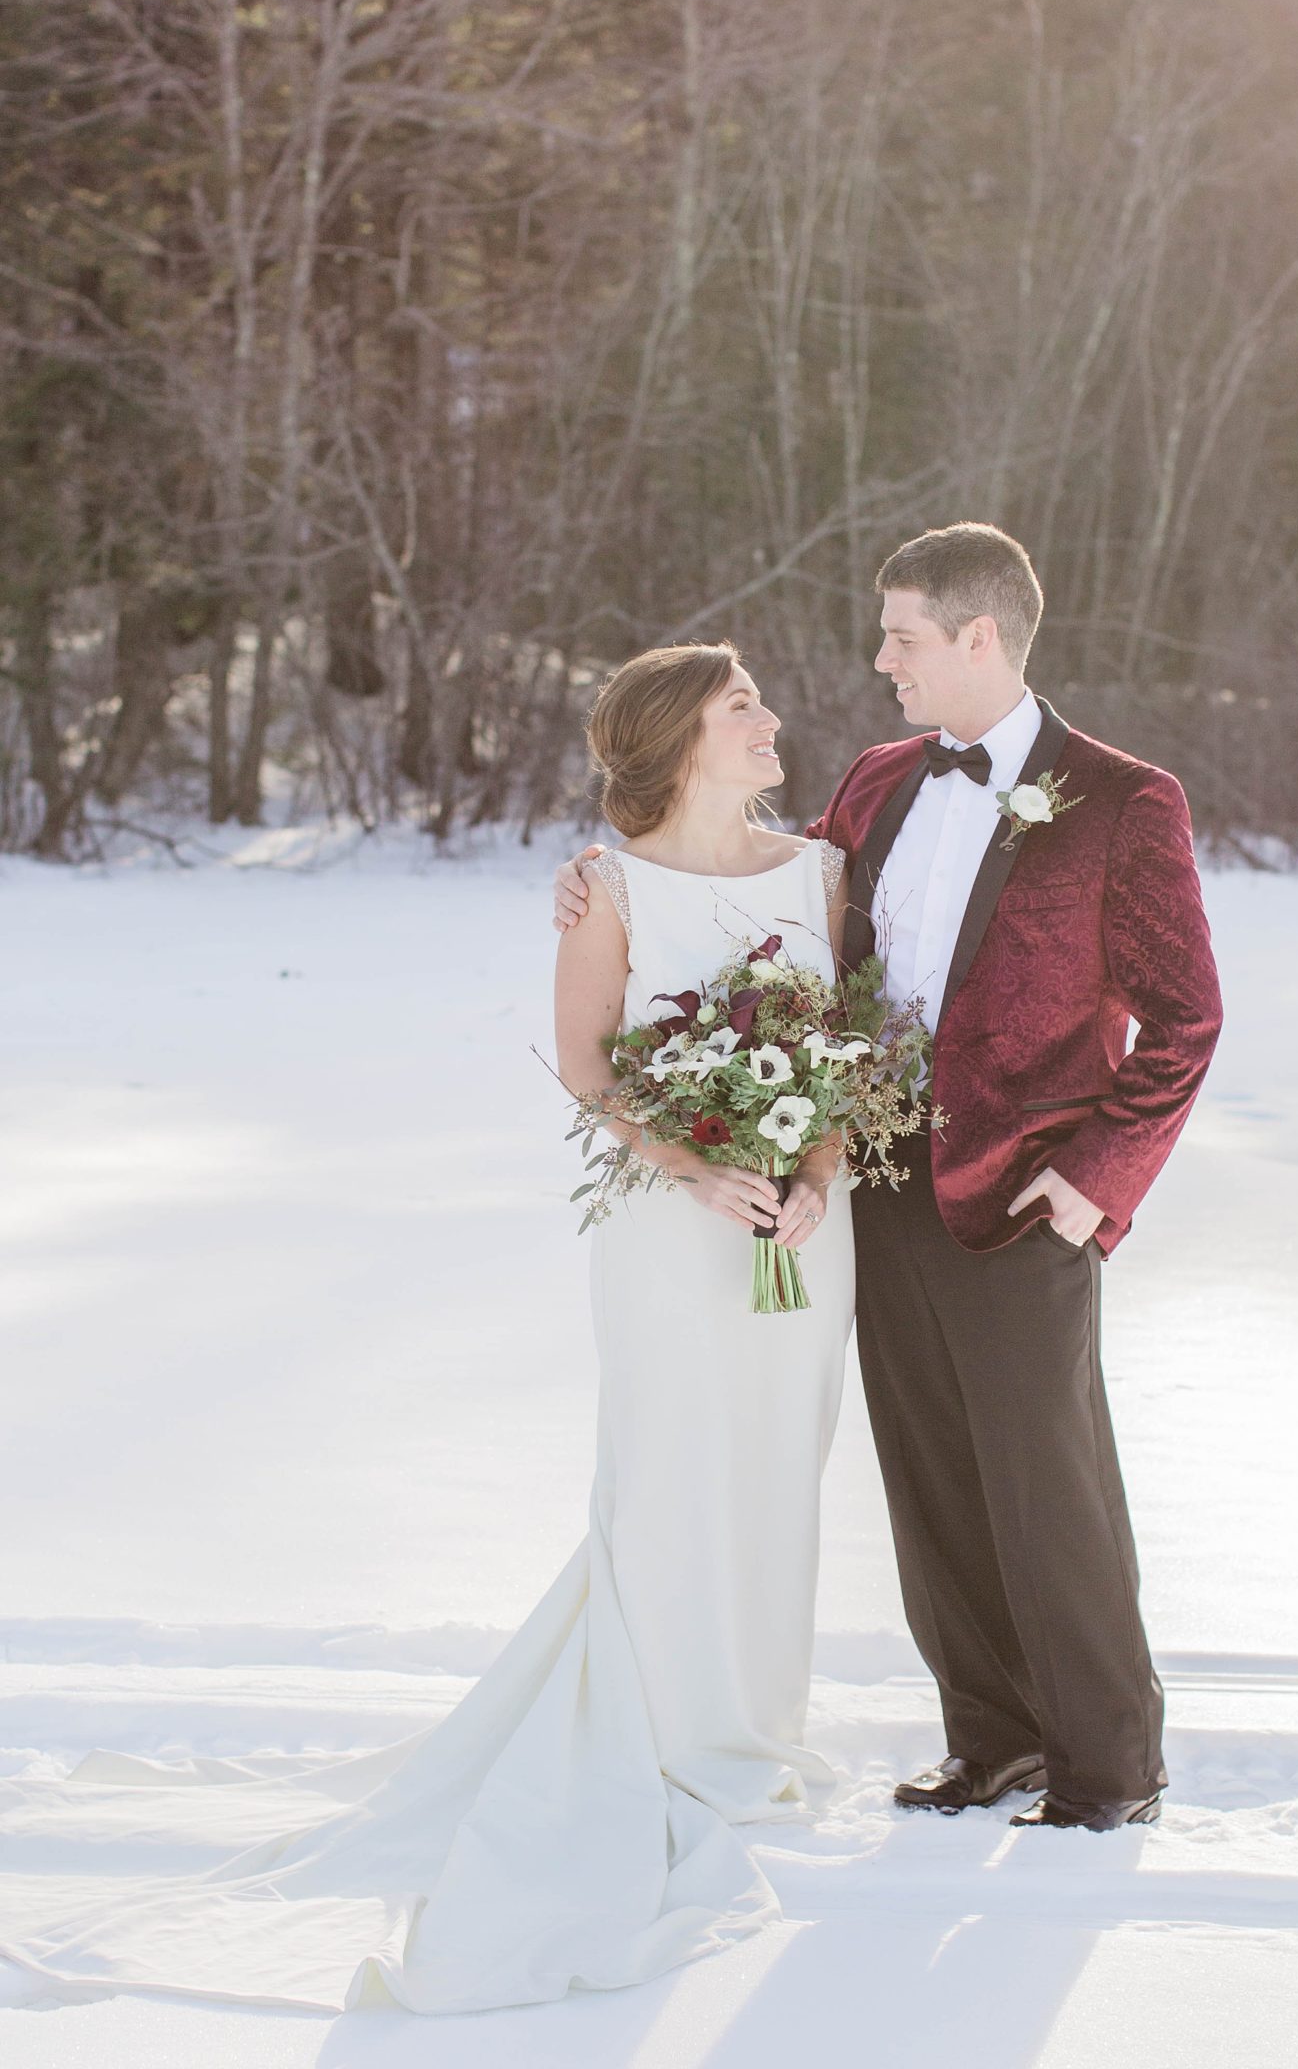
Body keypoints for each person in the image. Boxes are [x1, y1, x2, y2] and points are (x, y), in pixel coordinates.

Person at [0, 645, 855, 2014]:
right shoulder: (610, 885)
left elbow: (853, 1050)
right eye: (742, 702)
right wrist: (693, 1166)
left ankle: (755, 1726)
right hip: (664, 1222)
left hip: (806, 1230)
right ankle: (674, 1733)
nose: (771, 716)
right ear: (680, 736)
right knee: (668, 1466)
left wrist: (812, 1175)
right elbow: (588, 1066)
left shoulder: (822, 871)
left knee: (778, 1462)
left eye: (762, 694)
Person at [556, 523, 1222, 1831]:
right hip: (865, 1176)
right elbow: (757, 901)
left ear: (980, 638)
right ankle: (994, 1738)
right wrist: (607, 881)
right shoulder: (872, 782)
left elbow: (1185, 1020)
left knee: (1048, 1472)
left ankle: (1108, 1761)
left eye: (904, 637)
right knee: (928, 1474)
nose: (881, 661)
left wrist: (1098, 1178)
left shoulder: (1123, 800)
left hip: (1028, 1191)